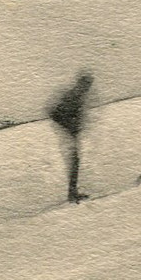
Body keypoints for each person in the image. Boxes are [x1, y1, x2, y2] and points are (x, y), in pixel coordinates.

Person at [48, 71, 95, 204]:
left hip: (71, 136)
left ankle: (73, 193)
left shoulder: (78, 96)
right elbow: (54, 113)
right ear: (81, 84)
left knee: (75, 164)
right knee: (73, 164)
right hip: (67, 137)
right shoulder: (73, 96)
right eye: (86, 85)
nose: (87, 89)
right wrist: (69, 128)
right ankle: (72, 194)